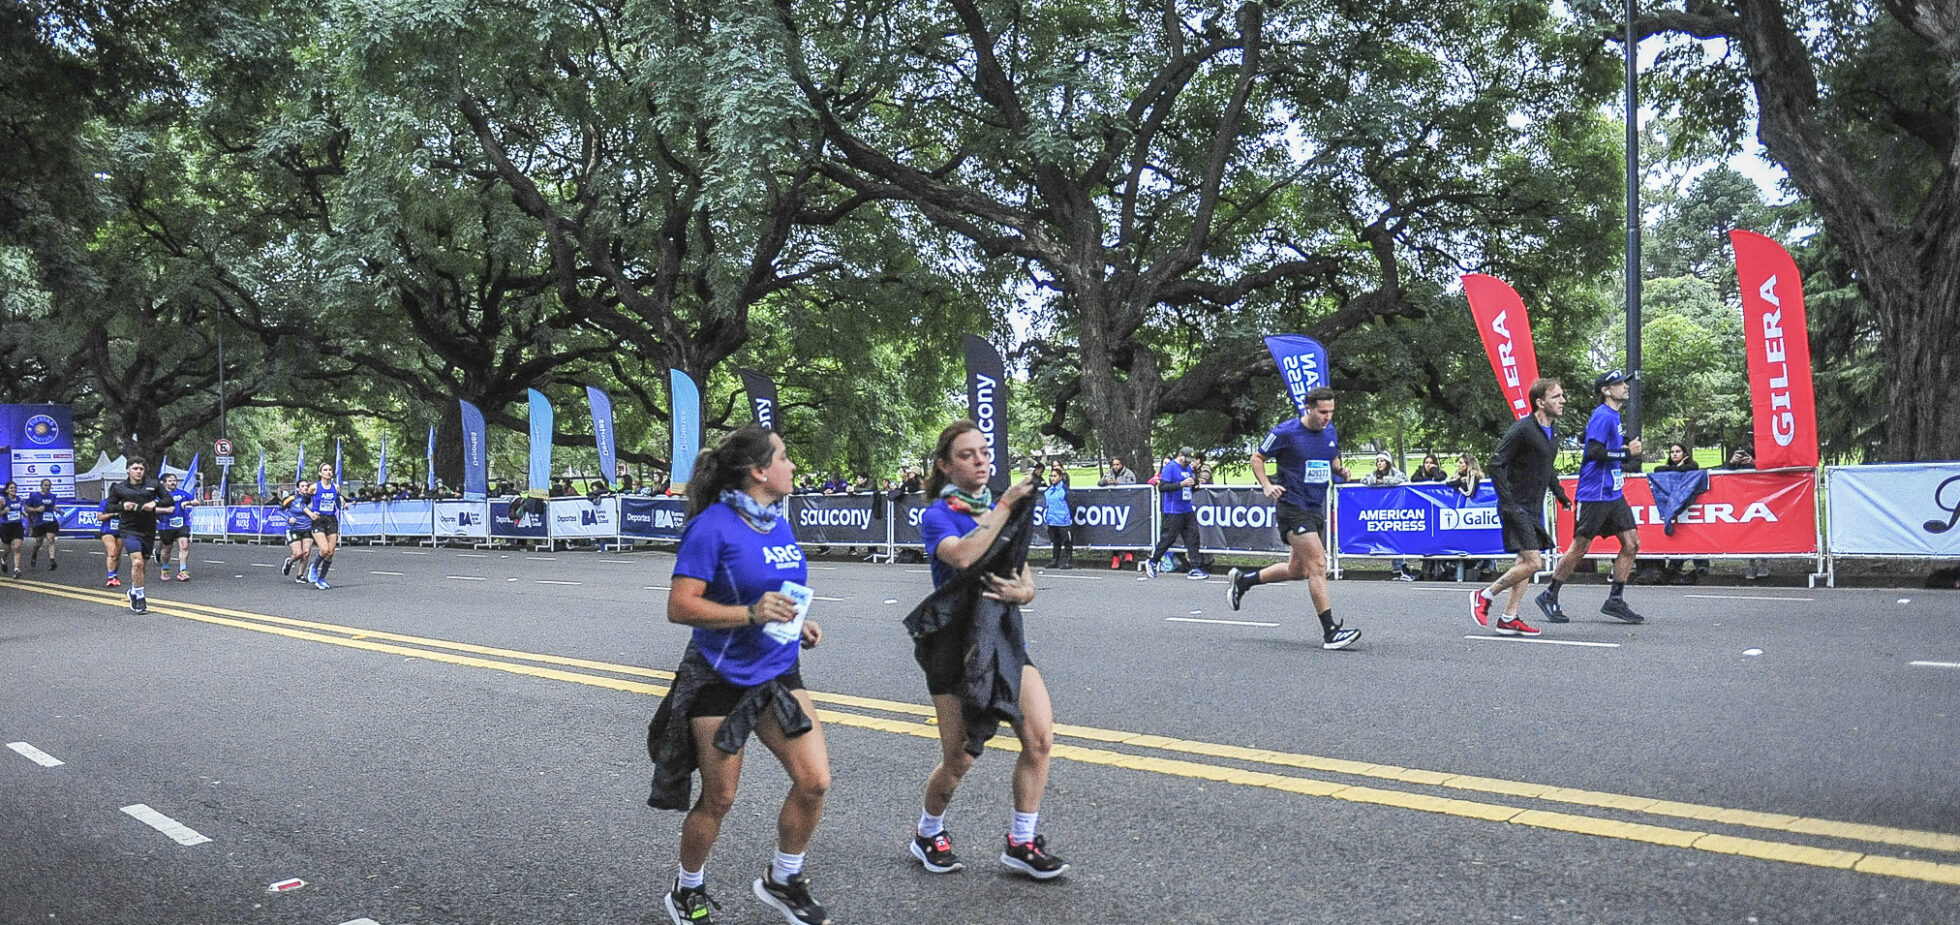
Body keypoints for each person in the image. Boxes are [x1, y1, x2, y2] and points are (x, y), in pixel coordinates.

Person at [646, 424, 832, 925]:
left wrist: (798, 623)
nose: (792, 466)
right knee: (720, 798)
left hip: (776, 671)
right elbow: (680, 606)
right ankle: (687, 889)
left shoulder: (777, 523)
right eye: (785, 457)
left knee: (814, 781)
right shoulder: (712, 527)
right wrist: (750, 613)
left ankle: (784, 878)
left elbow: (780, 595)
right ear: (759, 471)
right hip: (718, 678)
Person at [909, 420, 1065, 880]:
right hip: (954, 644)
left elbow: (1023, 572)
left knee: (1039, 738)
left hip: (1002, 636)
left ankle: (1021, 841)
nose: (980, 461)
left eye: (983, 452)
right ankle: (928, 831)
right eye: (966, 455)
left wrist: (1025, 593)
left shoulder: (1001, 509)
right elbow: (963, 555)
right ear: (944, 465)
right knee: (960, 757)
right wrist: (1004, 504)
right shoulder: (938, 515)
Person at [1226, 387, 1364, 650]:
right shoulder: (1286, 432)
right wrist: (1267, 485)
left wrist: (1341, 471)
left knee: (1297, 570)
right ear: (1309, 408)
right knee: (1319, 564)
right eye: (1323, 412)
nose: (1327, 417)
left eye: (1331, 412)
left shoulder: (1330, 432)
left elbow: (1331, 459)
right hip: (1292, 507)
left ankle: (1244, 581)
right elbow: (1257, 458)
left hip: (1314, 506)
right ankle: (1331, 631)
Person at [1535, 370, 1645, 625]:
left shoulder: (1613, 416)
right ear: (1606, 391)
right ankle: (1549, 594)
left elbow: (1591, 439)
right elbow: (1594, 451)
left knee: (1632, 543)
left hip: (1613, 493)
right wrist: (1626, 454)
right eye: (1619, 384)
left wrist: (1623, 447)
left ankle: (1615, 599)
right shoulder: (1603, 415)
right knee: (1580, 548)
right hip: (1594, 494)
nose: (1625, 387)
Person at [1471, 379, 1571, 636]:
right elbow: (1496, 464)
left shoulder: (1553, 430)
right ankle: (1484, 595)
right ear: (1540, 403)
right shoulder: (1523, 430)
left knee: (1524, 562)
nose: (1563, 400)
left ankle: (1509, 617)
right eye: (1556, 397)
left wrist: (1561, 495)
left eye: (1562, 396)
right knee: (1534, 563)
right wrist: (1507, 502)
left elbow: (1546, 468)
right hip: (1516, 506)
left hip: (1533, 506)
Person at [104, 458, 174, 613]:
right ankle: (140, 598)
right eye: (135, 468)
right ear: (128, 469)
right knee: (137, 563)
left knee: (143, 566)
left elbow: (169, 500)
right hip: (129, 530)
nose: (138, 471)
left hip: (148, 529)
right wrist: (123, 506)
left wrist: (155, 503)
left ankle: (134, 590)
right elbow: (108, 506)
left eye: (141, 469)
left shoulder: (153, 485)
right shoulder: (120, 488)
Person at [1145, 446, 1206, 579]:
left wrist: (1194, 485)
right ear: (1180, 456)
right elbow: (1163, 487)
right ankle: (1153, 561)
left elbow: (1189, 488)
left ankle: (1195, 567)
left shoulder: (1188, 468)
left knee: (1193, 538)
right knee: (1168, 539)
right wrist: (1181, 484)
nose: (1188, 462)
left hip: (1187, 509)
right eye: (1186, 459)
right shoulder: (1170, 468)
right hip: (1173, 511)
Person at [1655, 443, 1711, 584]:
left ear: (1684, 453)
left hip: (1691, 506)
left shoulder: (1691, 465)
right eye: (1672, 452)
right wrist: (1678, 468)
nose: (1674, 454)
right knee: (1678, 536)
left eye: (1678, 451)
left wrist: (1680, 467)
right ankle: (1675, 565)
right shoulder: (1666, 468)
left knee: (1694, 535)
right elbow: (1657, 469)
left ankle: (1701, 565)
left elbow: (1693, 468)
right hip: (1674, 508)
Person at [1356, 453, 1414, 581]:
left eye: (1382, 461)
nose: (1379, 463)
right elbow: (1364, 480)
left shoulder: (1395, 473)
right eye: (1378, 461)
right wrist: (1376, 482)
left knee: (1396, 537)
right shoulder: (1374, 473)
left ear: (1387, 462)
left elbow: (1403, 480)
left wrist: (1385, 482)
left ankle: (1400, 566)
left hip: (1394, 511)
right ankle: (1395, 567)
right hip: (1379, 511)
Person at [1723, 447, 1771, 579]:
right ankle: (1751, 564)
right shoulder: (1737, 463)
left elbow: (1774, 468)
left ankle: (1764, 562)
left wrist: (1755, 462)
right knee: (1747, 531)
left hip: (1764, 496)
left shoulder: (1766, 452)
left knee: (1763, 529)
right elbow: (1724, 473)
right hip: (1742, 498)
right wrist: (1733, 462)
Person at [305, 462, 342, 589]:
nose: (328, 472)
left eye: (330, 469)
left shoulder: (336, 487)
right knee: (324, 550)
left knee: (331, 552)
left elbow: (337, 502)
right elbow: (302, 503)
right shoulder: (314, 487)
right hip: (318, 520)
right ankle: (314, 566)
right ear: (320, 473)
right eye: (325, 470)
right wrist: (310, 513)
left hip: (331, 520)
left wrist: (343, 505)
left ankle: (321, 579)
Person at [154, 472, 196, 582]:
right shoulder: (159, 496)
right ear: (164, 483)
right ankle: (165, 568)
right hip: (165, 525)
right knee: (167, 549)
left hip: (182, 524)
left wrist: (187, 502)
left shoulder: (181, 493)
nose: (173, 483)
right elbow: (151, 509)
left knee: (184, 545)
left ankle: (183, 571)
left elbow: (196, 501)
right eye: (170, 481)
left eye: (174, 481)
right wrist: (165, 510)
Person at [280, 481, 316, 581]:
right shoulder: (292, 499)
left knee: (306, 553)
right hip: (293, 529)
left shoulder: (312, 499)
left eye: (306, 486)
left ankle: (300, 576)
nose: (305, 487)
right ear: (298, 488)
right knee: (297, 554)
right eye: (302, 486)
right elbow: (280, 510)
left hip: (308, 529)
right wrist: (288, 519)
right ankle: (289, 563)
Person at [1040, 464, 1075, 569]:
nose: (1052, 478)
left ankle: (1068, 561)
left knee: (1067, 542)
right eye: (1051, 476)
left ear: (1060, 477)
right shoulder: (1049, 491)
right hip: (1052, 520)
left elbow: (1073, 505)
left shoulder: (1065, 490)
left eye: (1055, 476)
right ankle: (1055, 560)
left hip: (1064, 521)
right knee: (1056, 542)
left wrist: (1068, 517)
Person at [26, 478, 60, 572]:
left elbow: (52, 506)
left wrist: (59, 511)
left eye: (49, 485)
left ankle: (52, 561)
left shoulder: (52, 496)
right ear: (41, 486)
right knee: (39, 542)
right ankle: (34, 553)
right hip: (39, 522)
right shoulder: (35, 496)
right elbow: (27, 508)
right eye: (45, 485)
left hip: (50, 521)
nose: (47, 487)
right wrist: (36, 510)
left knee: (51, 538)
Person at [96, 495, 123, 587]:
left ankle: (114, 574)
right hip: (107, 530)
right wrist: (112, 514)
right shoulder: (105, 502)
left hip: (120, 530)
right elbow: (99, 517)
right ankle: (110, 577)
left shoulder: (124, 502)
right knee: (112, 553)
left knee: (118, 555)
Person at [0, 483, 24, 578]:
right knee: (7, 550)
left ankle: (16, 569)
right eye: (11, 488)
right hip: (6, 527)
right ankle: (3, 560)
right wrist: (4, 511)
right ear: (7, 490)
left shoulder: (19, 499)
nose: (14, 489)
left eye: (15, 487)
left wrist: (24, 514)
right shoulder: (3, 500)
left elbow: (21, 510)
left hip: (17, 525)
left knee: (17, 547)